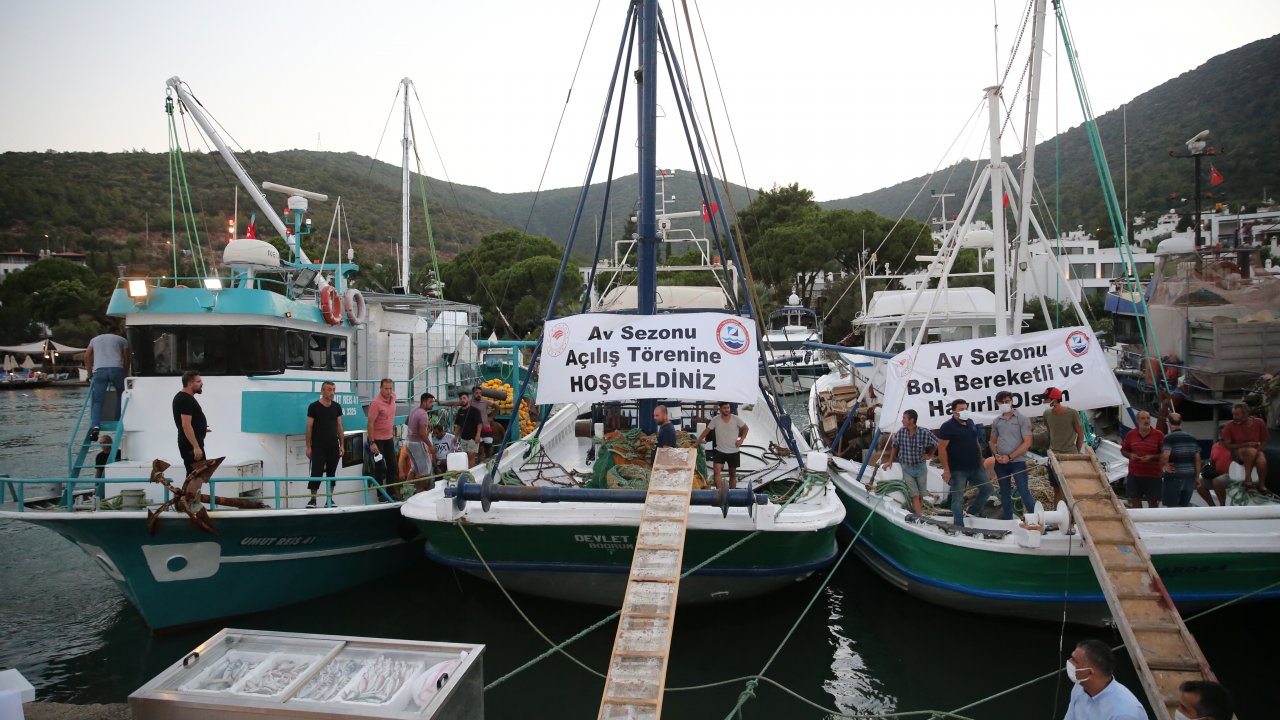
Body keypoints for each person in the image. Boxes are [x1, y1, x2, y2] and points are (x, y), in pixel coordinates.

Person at [937, 398, 991, 527]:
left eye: (966, 409)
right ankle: (959, 525)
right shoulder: (947, 427)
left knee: (987, 489)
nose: (964, 411)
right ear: (954, 411)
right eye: (961, 409)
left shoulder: (970, 422)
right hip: (958, 469)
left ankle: (972, 511)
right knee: (958, 498)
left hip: (975, 467)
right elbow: (941, 448)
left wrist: (981, 459)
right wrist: (946, 470)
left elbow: (976, 441)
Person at [1062, 639, 1146, 720]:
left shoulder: (1123, 714)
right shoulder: (1080, 687)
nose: (1069, 662)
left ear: (1089, 673)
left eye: (1074, 660)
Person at [879, 408, 938, 516]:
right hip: (906, 468)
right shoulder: (901, 432)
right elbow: (894, 446)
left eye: (904, 418)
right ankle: (920, 516)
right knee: (914, 494)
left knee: (920, 494)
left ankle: (919, 513)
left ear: (912, 420)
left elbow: (936, 443)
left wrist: (930, 455)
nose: (902, 420)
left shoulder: (924, 432)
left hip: (920, 468)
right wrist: (890, 461)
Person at [989, 390, 1035, 519]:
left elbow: (1027, 442)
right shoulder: (997, 421)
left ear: (1012, 401)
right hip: (1001, 462)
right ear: (997, 403)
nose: (1004, 404)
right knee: (1004, 492)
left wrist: (1010, 457)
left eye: (1007, 401)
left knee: (1023, 490)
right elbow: (992, 442)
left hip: (1018, 461)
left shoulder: (1022, 419)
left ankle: (1037, 519)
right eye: (1001, 402)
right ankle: (1008, 520)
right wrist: (996, 454)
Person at [84, 323, 129, 440]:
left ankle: (95, 426)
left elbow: (86, 356)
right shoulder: (122, 340)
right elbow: (126, 359)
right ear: (117, 331)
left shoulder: (94, 340)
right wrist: (124, 374)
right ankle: (118, 419)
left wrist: (89, 373)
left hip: (99, 371)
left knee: (98, 401)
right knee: (122, 394)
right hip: (116, 369)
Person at [1042, 387, 1084, 508]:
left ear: (1054, 400)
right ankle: (1059, 519)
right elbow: (1050, 432)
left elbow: (1080, 434)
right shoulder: (1047, 414)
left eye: (1046, 398)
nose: (1044, 400)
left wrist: (1076, 452)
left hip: (1070, 456)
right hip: (1053, 457)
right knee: (1057, 489)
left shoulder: (1072, 413)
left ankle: (1074, 517)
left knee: (1072, 488)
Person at [305, 381, 344, 508]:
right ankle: (313, 499)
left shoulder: (337, 407)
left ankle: (329, 499)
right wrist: (308, 447)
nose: (331, 392)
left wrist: (342, 445)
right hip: (318, 446)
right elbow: (309, 427)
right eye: (328, 389)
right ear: (322, 391)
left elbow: (339, 426)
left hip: (333, 445)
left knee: (331, 473)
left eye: (333, 389)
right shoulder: (313, 407)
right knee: (316, 472)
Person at [696, 402, 749, 490]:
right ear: (720, 409)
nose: (727, 410)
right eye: (724, 408)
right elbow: (706, 431)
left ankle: (732, 493)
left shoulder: (736, 419)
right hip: (719, 450)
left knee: (732, 474)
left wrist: (741, 440)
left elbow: (746, 428)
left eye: (728, 408)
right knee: (716, 472)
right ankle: (720, 493)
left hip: (734, 451)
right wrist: (697, 443)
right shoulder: (715, 420)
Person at [1221, 402, 1270, 493]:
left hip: (1256, 450)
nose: (1234, 417)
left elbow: (1264, 440)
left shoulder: (1259, 422)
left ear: (1246, 414)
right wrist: (1245, 445)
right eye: (1233, 414)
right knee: (1251, 451)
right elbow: (1227, 445)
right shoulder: (1230, 425)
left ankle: (1262, 485)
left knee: (1262, 460)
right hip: (1237, 452)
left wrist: (1258, 450)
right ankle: (1248, 479)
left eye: (1237, 414)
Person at [1122, 410, 1165, 509]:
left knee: (1153, 504)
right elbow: (1123, 450)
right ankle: (1139, 524)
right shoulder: (1131, 434)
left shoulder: (1159, 435)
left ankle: (1152, 523)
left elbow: (1164, 454)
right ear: (1138, 420)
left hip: (1153, 475)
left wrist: (1152, 457)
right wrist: (1130, 455)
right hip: (1134, 475)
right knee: (1135, 502)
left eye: (1148, 418)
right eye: (1143, 418)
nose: (1146, 421)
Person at [172, 370, 208, 479]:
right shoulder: (185, 399)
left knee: (196, 474)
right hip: (190, 445)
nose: (202, 384)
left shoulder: (185, 398)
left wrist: (201, 428)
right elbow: (186, 425)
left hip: (192, 442)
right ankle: (190, 496)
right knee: (195, 475)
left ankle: (190, 495)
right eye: (198, 381)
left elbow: (190, 423)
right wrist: (196, 447)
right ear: (190, 384)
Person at [1160, 412, 1201, 508]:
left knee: (1172, 508)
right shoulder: (1192, 438)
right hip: (1190, 478)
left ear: (1168, 422)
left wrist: (1164, 465)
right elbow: (1198, 459)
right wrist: (1197, 477)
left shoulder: (1168, 438)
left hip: (1174, 477)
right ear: (1181, 422)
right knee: (1184, 507)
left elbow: (1166, 455)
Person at [366, 378, 398, 499]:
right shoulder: (376, 403)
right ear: (380, 388)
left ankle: (390, 493)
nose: (389, 391)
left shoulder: (393, 397)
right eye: (386, 389)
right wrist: (372, 442)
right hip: (377, 439)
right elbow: (370, 423)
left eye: (390, 388)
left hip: (388, 437)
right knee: (380, 468)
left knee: (393, 466)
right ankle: (381, 495)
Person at [403, 393, 437, 481]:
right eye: (430, 402)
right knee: (426, 471)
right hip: (417, 444)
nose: (432, 404)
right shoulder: (423, 415)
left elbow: (407, 422)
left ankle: (407, 491)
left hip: (408, 442)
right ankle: (422, 492)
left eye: (432, 402)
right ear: (424, 402)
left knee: (414, 469)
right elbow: (422, 434)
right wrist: (430, 446)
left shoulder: (414, 410)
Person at [453, 390, 483, 467]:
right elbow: (458, 425)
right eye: (461, 399)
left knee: (471, 455)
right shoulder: (460, 411)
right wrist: (456, 436)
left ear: (468, 399)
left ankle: (471, 472)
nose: (462, 400)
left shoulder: (475, 410)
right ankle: (467, 471)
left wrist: (478, 435)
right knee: (465, 456)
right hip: (463, 438)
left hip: (472, 438)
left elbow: (479, 423)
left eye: (464, 398)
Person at [1203, 439, 1233, 506]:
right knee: (1199, 484)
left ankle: (1222, 505)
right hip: (1218, 474)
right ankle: (1212, 506)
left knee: (1217, 481)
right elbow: (1211, 460)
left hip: (1231, 475)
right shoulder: (1215, 446)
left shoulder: (1234, 446)